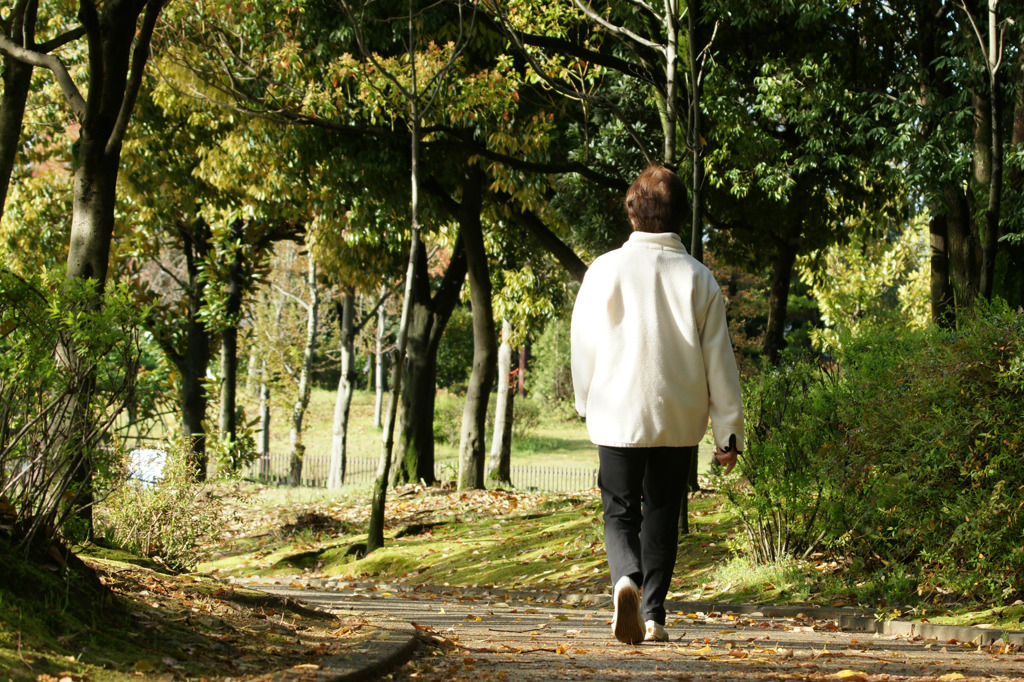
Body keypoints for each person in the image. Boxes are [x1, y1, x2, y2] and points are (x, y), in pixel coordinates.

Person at [570, 165, 745, 645]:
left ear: (632, 213)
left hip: (617, 410)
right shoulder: (699, 278)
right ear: (680, 216)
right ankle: (653, 616)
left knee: (620, 510)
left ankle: (624, 577)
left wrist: (586, 399)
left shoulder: (604, 269)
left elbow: (583, 343)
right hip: (677, 416)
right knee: (664, 512)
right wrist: (727, 433)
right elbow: (719, 361)